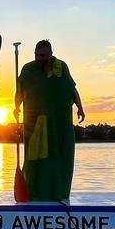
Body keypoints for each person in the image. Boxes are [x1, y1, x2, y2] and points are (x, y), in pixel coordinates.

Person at [16, 40, 84, 203]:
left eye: (45, 56)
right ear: (35, 54)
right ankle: (34, 192)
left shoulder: (61, 67)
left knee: (60, 157)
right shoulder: (28, 69)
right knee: (35, 158)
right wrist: (16, 107)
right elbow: (19, 91)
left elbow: (71, 88)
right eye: (38, 55)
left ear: (51, 54)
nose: (41, 58)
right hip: (35, 122)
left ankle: (59, 193)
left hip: (60, 122)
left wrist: (80, 107)